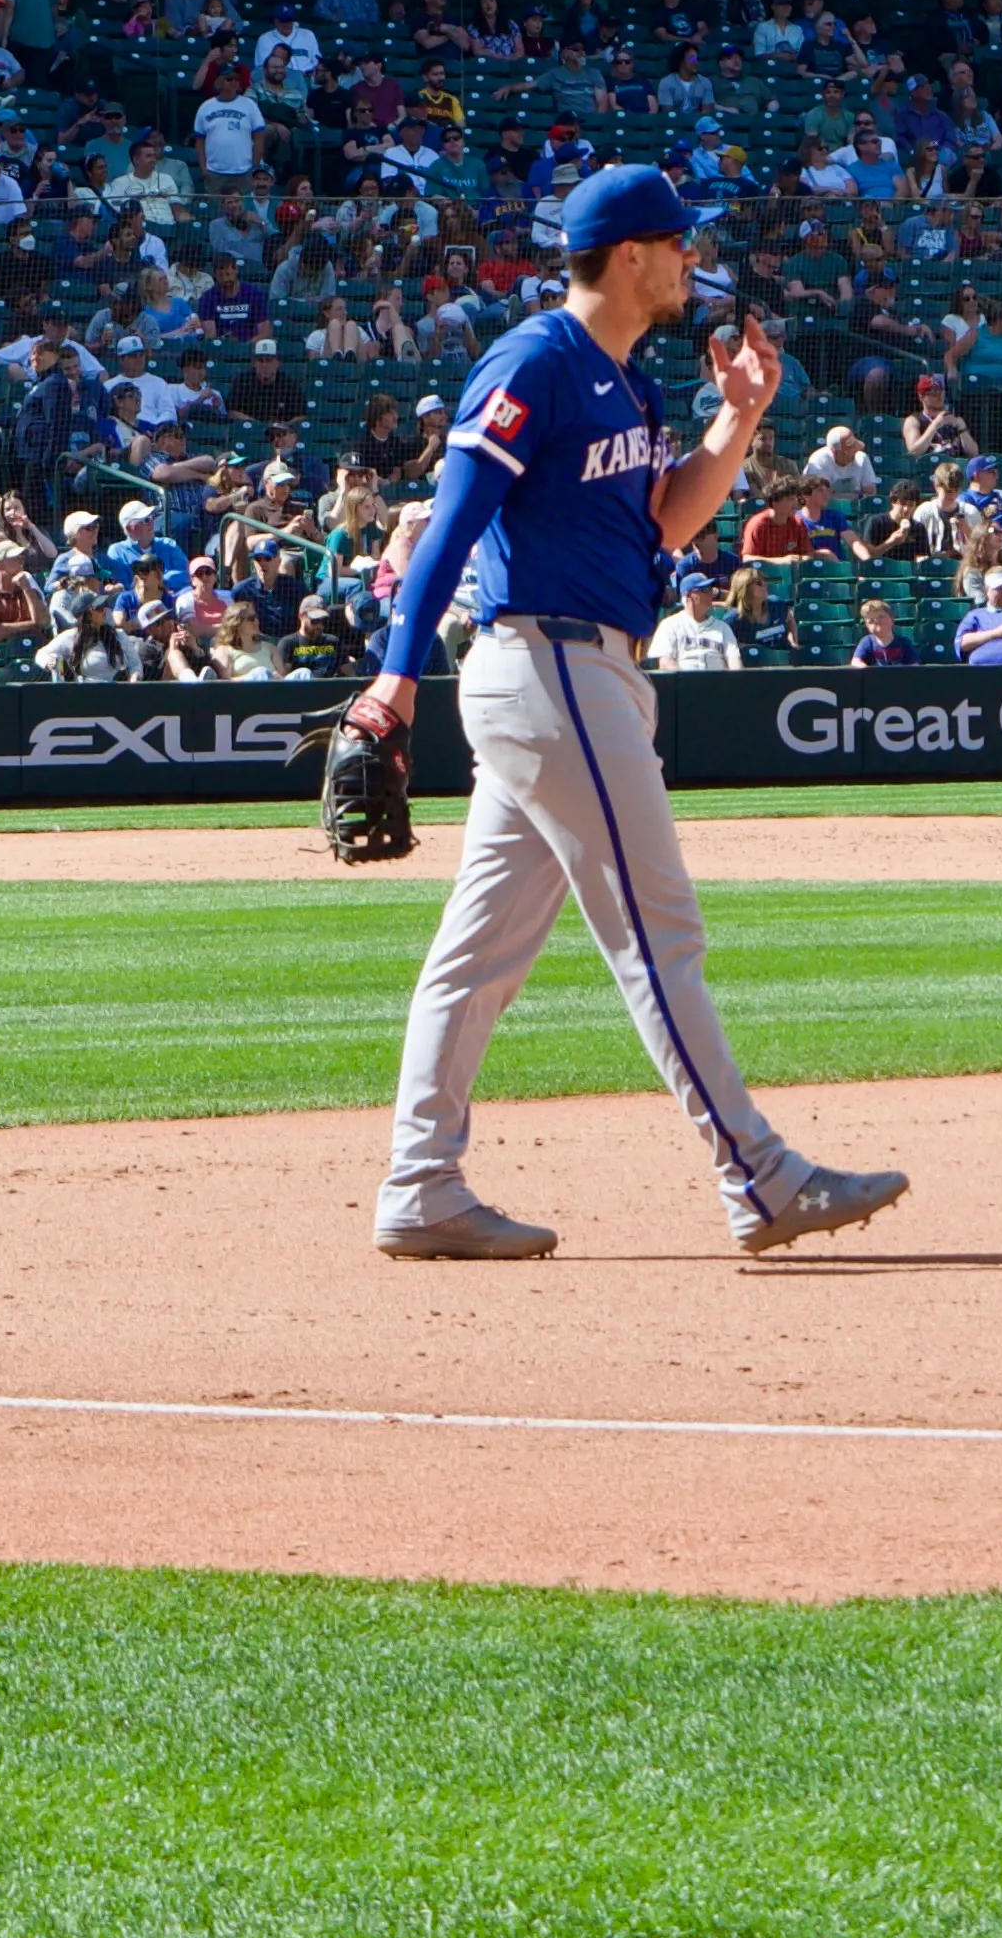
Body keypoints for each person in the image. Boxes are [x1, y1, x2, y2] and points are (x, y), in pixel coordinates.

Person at [342, 164, 906, 1261]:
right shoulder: (537, 359)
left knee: (479, 953)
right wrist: (394, 676)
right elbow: (451, 526)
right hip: (546, 664)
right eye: (680, 244)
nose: (693, 262)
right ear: (631, 253)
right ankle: (760, 1174)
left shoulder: (632, 382)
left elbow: (666, 524)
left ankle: (421, 1185)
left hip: (582, 671)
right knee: (659, 931)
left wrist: (738, 419)